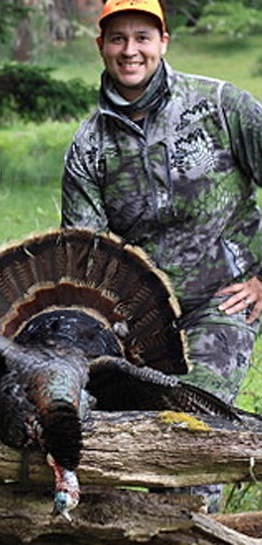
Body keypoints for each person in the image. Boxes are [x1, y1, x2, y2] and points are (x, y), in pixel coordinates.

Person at [61, 0, 262, 512]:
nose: (131, 50)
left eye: (142, 37)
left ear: (163, 42)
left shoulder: (220, 105)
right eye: (118, 38)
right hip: (142, 319)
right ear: (101, 46)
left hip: (226, 297)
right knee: (113, 424)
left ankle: (192, 525)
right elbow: (87, 256)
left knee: (194, 420)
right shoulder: (89, 145)